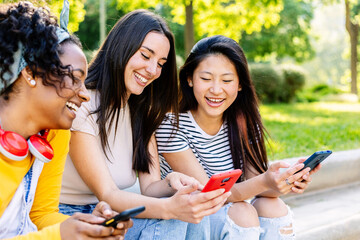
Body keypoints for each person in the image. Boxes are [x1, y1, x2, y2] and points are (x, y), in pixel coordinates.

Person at [59, 9, 230, 239]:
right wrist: (171, 209)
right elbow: (107, 193)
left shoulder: (141, 112)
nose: (152, 71)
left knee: (193, 214)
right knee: (174, 218)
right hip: (70, 217)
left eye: (160, 63)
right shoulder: (83, 105)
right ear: (122, 47)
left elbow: (150, 188)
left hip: (111, 215)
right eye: (145, 55)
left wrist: (172, 183)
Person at [155, 35, 321, 239]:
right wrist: (266, 181)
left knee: (272, 205)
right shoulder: (171, 126)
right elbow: (211, 195)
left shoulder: (244, 124)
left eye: (227, 80)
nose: (216, 90)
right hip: (187, 222)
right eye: (206, 79)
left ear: (240, 84)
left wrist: (284, 181)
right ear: (189, 79)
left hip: (226, 214)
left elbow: (259, 186)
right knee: (242, 212)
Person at [0, 1, 132, 239]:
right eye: (74, 78)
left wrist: (89, 225)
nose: (84, 93)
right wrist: (61, 234)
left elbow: (41, 215)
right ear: (30, 73)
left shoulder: (54, 134)